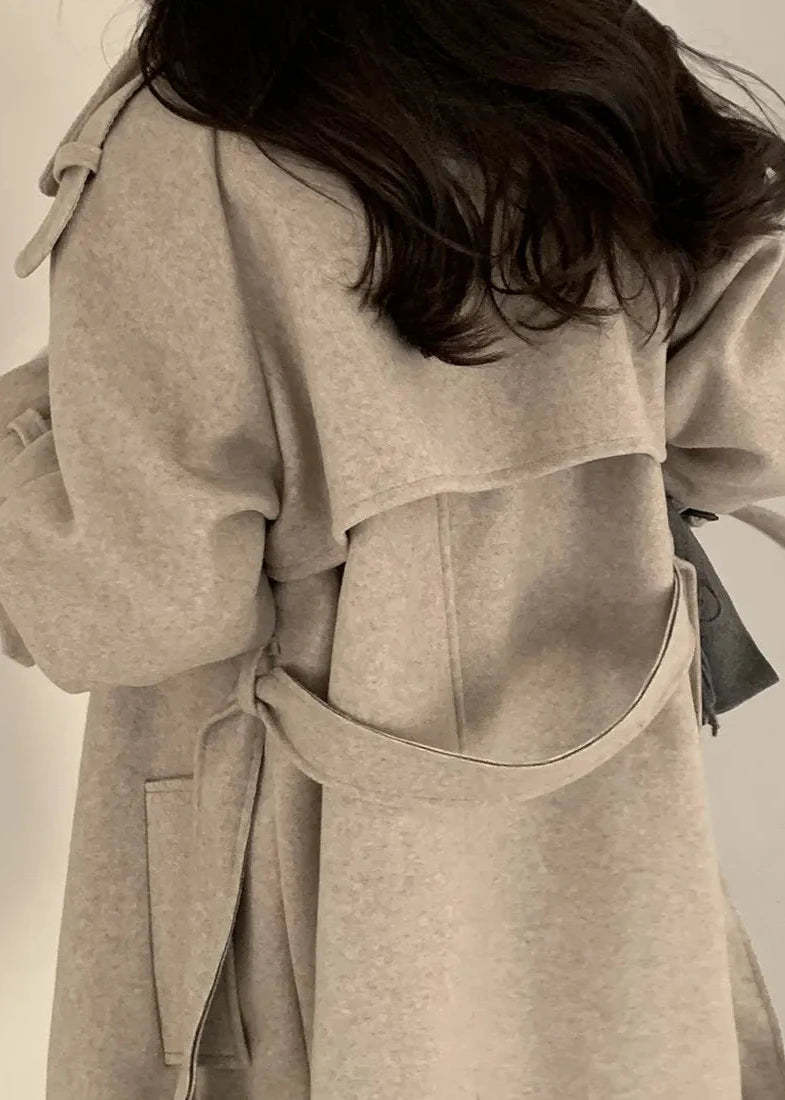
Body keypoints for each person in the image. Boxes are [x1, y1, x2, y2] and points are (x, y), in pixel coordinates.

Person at [4, 4, 785, 1097]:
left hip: (321, 881)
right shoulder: (579, 68)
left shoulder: (184, 136)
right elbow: (754, 421)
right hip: (606, 860)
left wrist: (36, 437)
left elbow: (139, 599)